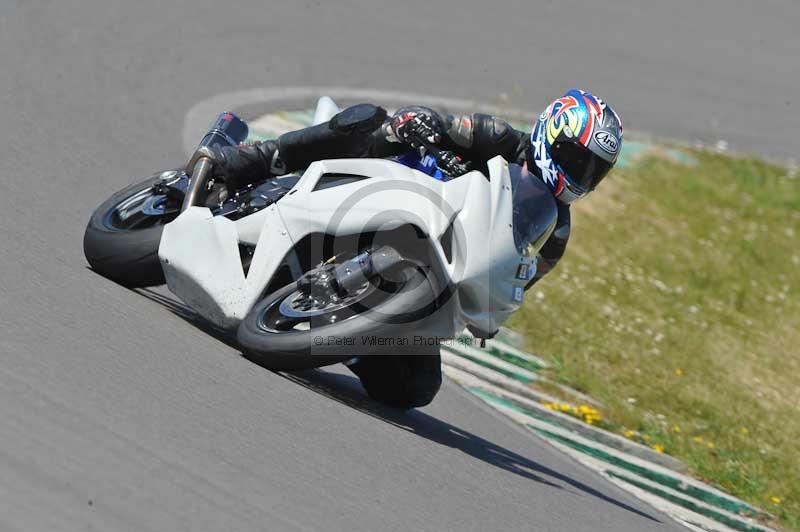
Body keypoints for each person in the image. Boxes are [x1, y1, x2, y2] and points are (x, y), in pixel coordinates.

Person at [197, 88, 623, 408]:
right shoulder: (497, 137)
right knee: (369, 122)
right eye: (575, 157)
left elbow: (516, 280)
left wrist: (489, 309)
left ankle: (352, 337)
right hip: (383, 186)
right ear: (551, 132)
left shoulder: (555, 234)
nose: (580, 174)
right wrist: (420, 126)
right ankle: (255, 158)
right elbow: (434, 121)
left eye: (593, 171)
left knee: (418, 387)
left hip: (426, 259)